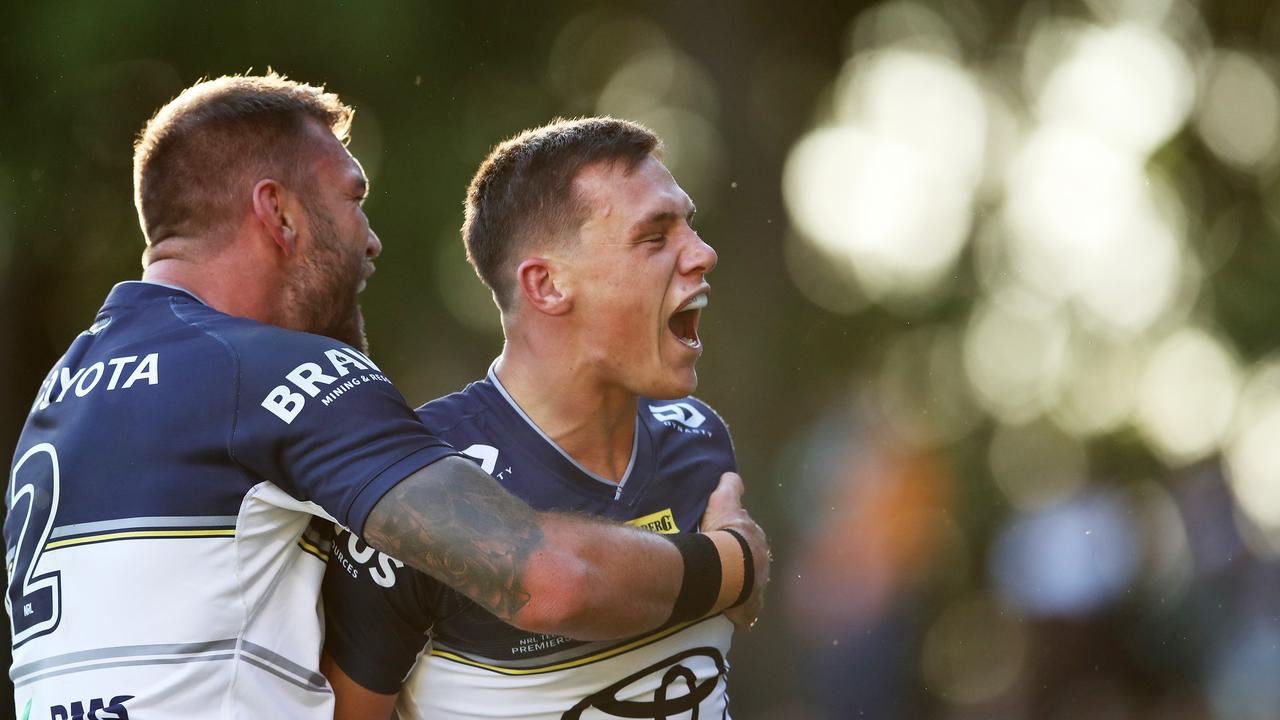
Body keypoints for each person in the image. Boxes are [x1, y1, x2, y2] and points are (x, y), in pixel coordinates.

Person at [4, 76, 769, 719]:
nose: (370, 238)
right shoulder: (274, 374)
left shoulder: (70, 390)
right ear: (280, 214)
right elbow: (543, 578)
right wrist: (730, 564)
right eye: (351, 198)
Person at [321, 117, 761, 720]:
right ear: (547, 284)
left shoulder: (698, 435)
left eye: (690, 224)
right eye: (655, 237)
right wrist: (733, 567)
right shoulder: (416, 479)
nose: (703, 253)